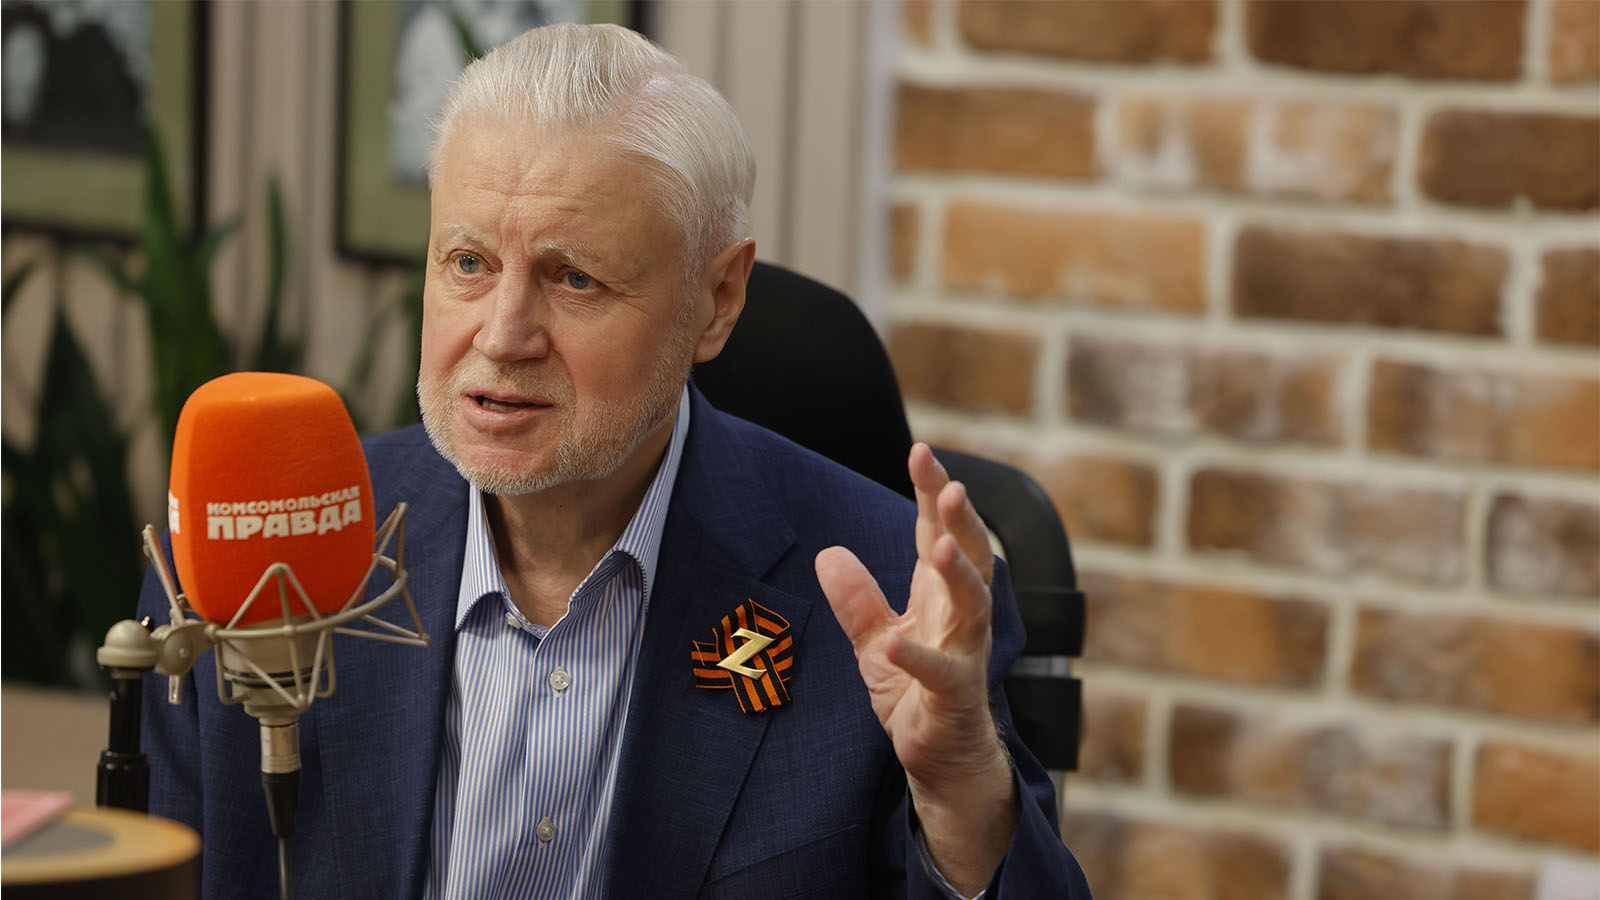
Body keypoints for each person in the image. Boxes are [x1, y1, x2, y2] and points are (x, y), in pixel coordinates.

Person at [138, 22, 1091, 900]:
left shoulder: (891, 597)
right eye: (468, 263)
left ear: (717, 300)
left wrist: (960, 793)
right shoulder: (248, 556)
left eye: (574, 278)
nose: (502, 336)